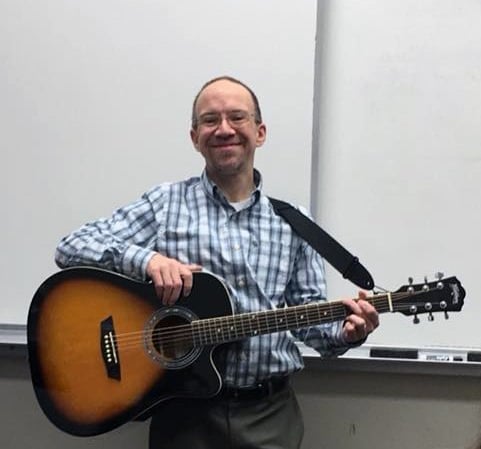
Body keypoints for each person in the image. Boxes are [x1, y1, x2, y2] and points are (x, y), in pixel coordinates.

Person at [55, 75, 379, 449]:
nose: (224, 129)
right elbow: (71, 246)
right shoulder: (165, 204)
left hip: (269, 416)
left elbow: (312, 326)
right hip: (183, 414)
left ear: (260, 132)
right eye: (210, 120)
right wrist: (148, 260)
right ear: (195, 138)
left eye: (237, 117)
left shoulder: (294, 223)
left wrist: (350, 333)